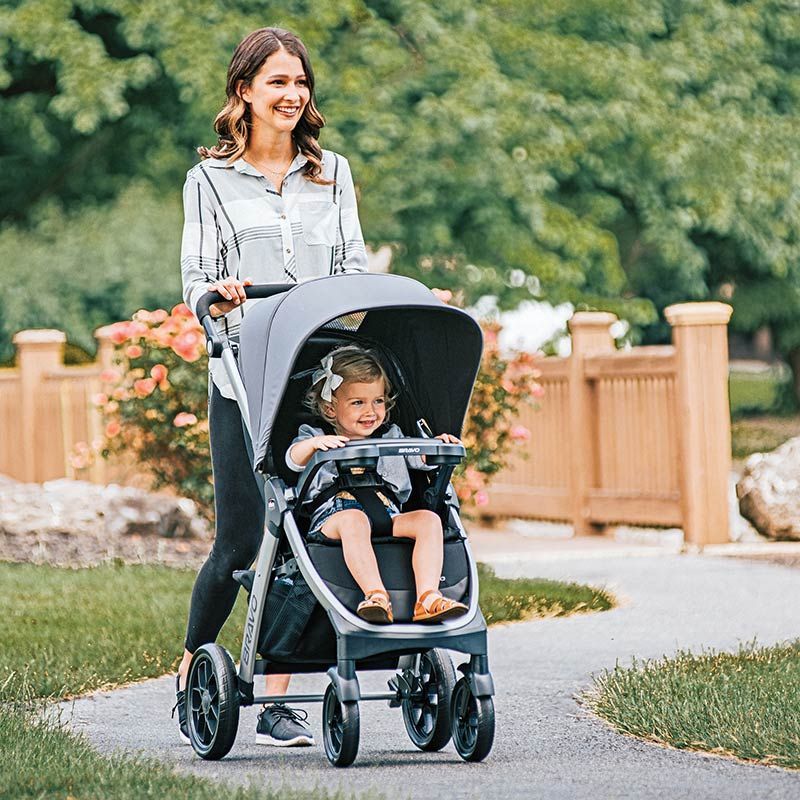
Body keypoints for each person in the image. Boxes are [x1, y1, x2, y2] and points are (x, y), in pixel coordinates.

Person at [175, 27, 367, 747]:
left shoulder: (333, 172)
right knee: (240, 540)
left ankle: (279, 700)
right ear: (245, 91)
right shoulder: (208, 180)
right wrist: (216, 295)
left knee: (304, 531)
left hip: (318, 376)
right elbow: (195, 276)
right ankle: (192, 667)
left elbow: (352, 262)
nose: (292, 94)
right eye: (277, 82)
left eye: (300, 81)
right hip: (245, 373)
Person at [287, 345, 470, 624]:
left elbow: (421, 460)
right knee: (355, 520)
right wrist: (314, 445)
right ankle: (376, 595)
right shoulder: (315, 435)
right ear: (330, 408)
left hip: (387, 514)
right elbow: (292, 460)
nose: (371, 411)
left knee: (429, 521)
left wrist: (437, 446)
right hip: (334, 518)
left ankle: (428, 597)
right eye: (357, 403)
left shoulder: (391, 436)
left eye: (378, 401)